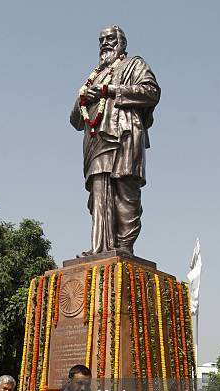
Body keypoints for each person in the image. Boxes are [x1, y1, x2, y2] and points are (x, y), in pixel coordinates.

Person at [70, 25, 160, 256]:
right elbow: (75, 120)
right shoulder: (93, 76)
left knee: (125, 193)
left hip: (125, 135)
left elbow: (151, 92)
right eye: (101, 39)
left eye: (110, 38)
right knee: (99, 193)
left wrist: (110, 91)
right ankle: (99, 247)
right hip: (97, 141)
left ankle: (124, 247)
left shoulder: (135, 64)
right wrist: (83, 98)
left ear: (122, 42)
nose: (105, 43)